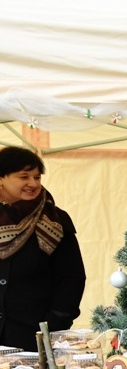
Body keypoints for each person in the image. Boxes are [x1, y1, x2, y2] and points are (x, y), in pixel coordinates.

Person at [0, 146, 86, 350]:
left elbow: (72, 277)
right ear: (1, 178)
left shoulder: (56, 220)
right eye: (24, 177)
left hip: (32, 337)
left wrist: (56, 321)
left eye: (37, 177)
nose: (33, 183)